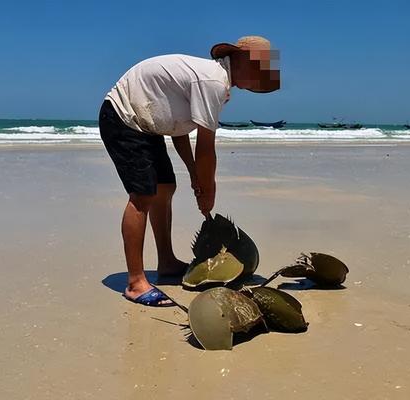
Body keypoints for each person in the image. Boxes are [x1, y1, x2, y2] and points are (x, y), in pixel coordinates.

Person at [99, 36, 280, 306]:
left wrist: (195, 175)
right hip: (124, 117)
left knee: (165, 188)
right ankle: (136, 282)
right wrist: (208, 191)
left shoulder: (214, 81)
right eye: (261, 69)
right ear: (243, 61)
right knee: (143, 195)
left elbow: (179, 128)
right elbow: (206, 146)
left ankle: (167, 263)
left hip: (148, 124)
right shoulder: (213, 82)